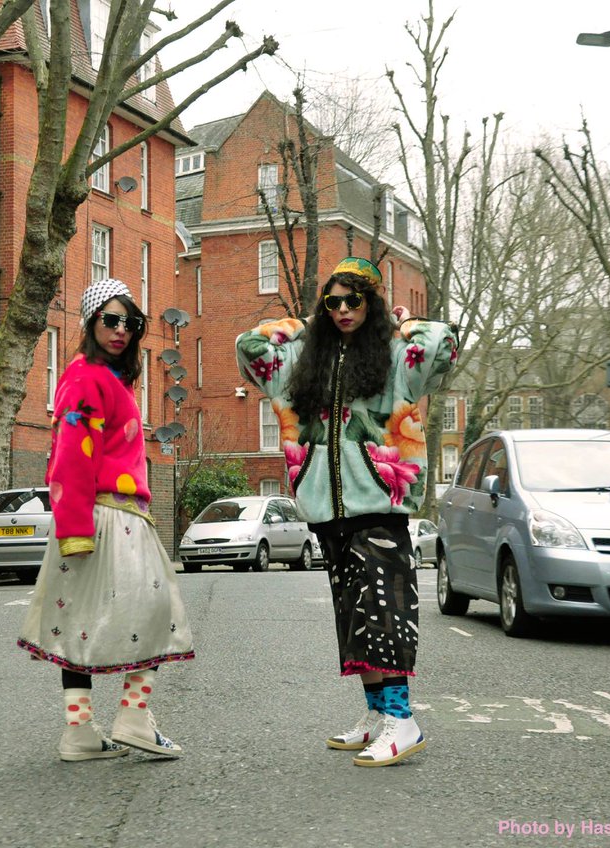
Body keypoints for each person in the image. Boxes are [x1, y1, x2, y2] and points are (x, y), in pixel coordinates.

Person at [235, 257, 458, 767]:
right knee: (355, 618)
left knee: (385, 613)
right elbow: (248, 345)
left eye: (353, 300)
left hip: (379, 506)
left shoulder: (397, 357)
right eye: (332, 302)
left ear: (371, 304)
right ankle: (378, 714)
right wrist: (305, 323)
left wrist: (400, 321)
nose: (341, 310)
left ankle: (403, 720)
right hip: (326, 511)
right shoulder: (302, 362)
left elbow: (442, 342)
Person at [17, 279, 195, 762]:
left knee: (84, 619)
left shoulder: (111, 379)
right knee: (151, 612)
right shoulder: (86, 376)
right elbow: (71, 457)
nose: (120, 330)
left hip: (118, 515)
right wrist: (74, 530)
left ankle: (87, 731)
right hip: (104, 516)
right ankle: (127, 719)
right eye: (110, 320)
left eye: (129, 322)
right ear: (89, 322)